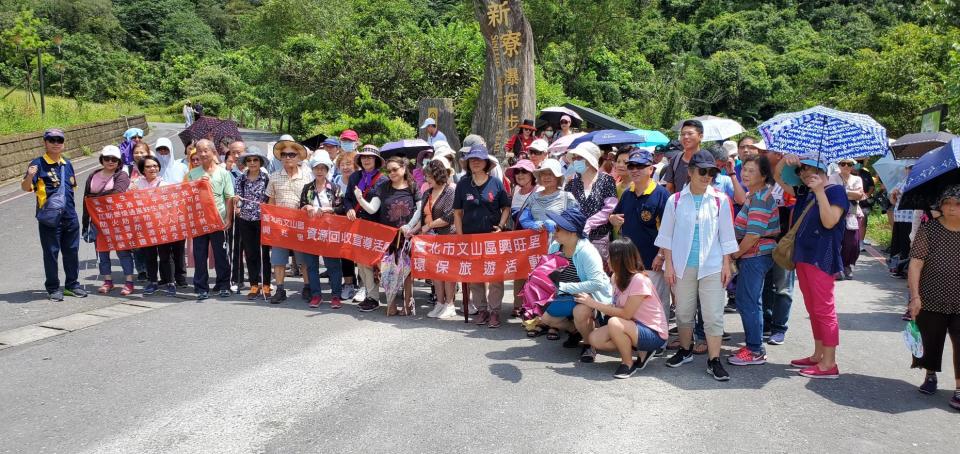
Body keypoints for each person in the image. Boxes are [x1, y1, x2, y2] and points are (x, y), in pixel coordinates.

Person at [656, 150, 738, 381]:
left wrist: (726, 264)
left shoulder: (720, 199)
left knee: (713, 315)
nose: (707, 176)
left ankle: (714, 359)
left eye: (711, 172)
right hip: (682, 265)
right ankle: (685, 349)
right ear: (690, 172)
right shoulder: (676, 200)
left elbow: (726, 235)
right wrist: (669, 265)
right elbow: (666, 236)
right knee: (683, 313)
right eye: (702, 171)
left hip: (712, 265)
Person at [774, 154, 848, 379]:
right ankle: (818, 355)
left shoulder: (835, 191)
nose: (805, 174)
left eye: (809, 169)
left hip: (822, 258)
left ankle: (829, 363)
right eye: (802, 170)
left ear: (823, 168)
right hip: (803, 256)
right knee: (813, 308)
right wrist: (785, 160)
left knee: (824, 309)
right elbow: (777, 177)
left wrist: (819, 192)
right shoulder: (804, 191)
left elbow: (829, 221)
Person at [579, 238, 668, 378]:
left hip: (653, 332)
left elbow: (625, 314)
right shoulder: (616, 277)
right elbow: (617, 307)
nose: (607, 261)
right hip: (632, 326)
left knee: (614, 322)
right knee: (594, 338)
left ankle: (628, 363)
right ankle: (641, 350)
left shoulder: (639, 280)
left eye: (610, 257)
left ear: (619, 260)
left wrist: (593, 303)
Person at [908, 185, 960, 409]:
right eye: (947, 204)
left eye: (957, 204)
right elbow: (916, 263)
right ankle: (930, 375)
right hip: (931, 295)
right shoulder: (929, 230)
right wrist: (915, 296)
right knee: (931, 339)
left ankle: (959, 388)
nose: (952, 209)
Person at [537, 207, 613, 363]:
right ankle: (576, 331)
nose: (554, 231)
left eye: (558, 228)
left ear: (572, 232)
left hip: (589, 296)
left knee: (581, 311)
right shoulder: (555, 247)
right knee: (546, 318)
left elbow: (597, 283)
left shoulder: (587, 252)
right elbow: (547, 273)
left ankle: (589, 344)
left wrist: (564, 287)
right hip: (565, 295)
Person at [728, 155, 780, 366]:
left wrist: (734, 255)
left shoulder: (760, 198)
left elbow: (753, 235)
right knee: (750, 301)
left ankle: (755, 350)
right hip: (755, 255)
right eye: (744, 169)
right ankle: (754, 344)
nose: (745, 173)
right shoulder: (755, 195)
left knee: (748, 302)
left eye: (751, 170)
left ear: (764, 175)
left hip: (755, 255)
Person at [23, 129, 87, 300]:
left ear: (63, 143)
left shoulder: (67, 163)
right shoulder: (37, 164)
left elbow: (72, 190)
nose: (56, 143)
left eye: (59, 140)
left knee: (72, 251)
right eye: (52, 140)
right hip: (49, 218)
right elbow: (26, 187)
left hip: (70, 216)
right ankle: (52, 288)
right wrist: (30, 176)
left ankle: (72, 285)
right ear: (45, 143)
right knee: (51, 253)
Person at [609, 150, 671, 323]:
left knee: (656, 301)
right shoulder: (628, 193)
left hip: (652, 260)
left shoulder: (662, 195)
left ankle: (659, 340)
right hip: (628, 261)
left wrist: (660, 255)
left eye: (640, 166)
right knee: (632, 302)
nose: (634, 170)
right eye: (631, 166)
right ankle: (638, 337)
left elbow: (668, 230)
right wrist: (612, 218)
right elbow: (615, 215)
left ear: (650, 169)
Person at [453, 144, 511, 328]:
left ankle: (495, 312)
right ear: (468, 163)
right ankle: (482, 310)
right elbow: (457, 212)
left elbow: (506, 207)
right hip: (470, 238)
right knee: (476, 276)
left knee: (495, 275)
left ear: (486, 163)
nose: (475, 162)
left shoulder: (496, 183)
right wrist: (460, 236)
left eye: (479, 159)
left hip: (492, 238)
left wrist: (501, 226)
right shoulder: (463, 184)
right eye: (472, 159)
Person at [354, 156, 419, 315]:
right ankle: (391, 304)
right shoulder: (383, 187)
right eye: (389, 171)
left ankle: (407, 304)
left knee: (407, 272)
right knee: (387, 270)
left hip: (406, 236)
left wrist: (410, 226)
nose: (392, 173)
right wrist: (360, 199)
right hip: (387, 236)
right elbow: (372, 209)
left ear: (404, 168)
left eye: (395, 169)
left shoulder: (413, 186)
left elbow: (420, 210)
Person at [82, 146, 135, 296]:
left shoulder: (122, 176)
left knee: (123, 253)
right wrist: (85, 223)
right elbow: (86, 200)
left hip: (117, 221)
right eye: (107, 158)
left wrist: (95, 198)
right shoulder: (93, 175)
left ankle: (129, 282)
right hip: (98, 221)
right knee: (102, 253)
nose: (110, 161)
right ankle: (107, 281)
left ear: (119, 161)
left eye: (114, 159)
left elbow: (117, 193)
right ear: (102, 160)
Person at [187, 139, 236, 301]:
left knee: (221, 254)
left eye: (206, 150)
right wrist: (199, 185)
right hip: (199, 221)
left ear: (213, 152)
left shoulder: (223, 173)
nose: (202, 153)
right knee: (199, 255)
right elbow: (187, 198)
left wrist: (228, 218)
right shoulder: (193, 174)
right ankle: (201, 287)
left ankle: (223, 285)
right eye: (199, 150)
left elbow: (229, 197)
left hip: (218, 220)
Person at [265, 136, 312, 304]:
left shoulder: (308, 177)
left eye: (292, 154)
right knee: (278, 259)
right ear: (280, 157)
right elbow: (270, 203)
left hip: (301, 224)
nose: (288, 157)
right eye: (284, 154)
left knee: (304, 259)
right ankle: (280, 289)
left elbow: (312, 201)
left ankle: (307, 287)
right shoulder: (274, 177)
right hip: (280, 225)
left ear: (299, 157)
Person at [409, 159, 458, 319]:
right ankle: (440, 302)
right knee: (436, 272)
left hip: (447, 236)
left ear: (438, 175)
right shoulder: (427, 193)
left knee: (448, 271)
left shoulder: (450, 192)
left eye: (429, 176)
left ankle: (450, 304)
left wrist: (428, 226)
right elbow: (422, 217)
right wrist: (412, 230)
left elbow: (449, 216)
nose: (426, 179)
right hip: (430, 239)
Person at [300, 154, 346, 309]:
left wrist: (329, 209)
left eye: (322, 168)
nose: (319, 171)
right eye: (316, 168)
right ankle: (316, 295)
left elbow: (342, 209)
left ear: (327, 170)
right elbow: (302, 205)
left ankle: (335, 296)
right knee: (312, 265)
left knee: (333, 265)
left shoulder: (335, 188)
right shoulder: (307, 187)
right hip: (311, 231)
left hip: (329, 232)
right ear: (312, 169)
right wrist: (307, 207)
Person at [345, 144, 387, 310]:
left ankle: (374, 297)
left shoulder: (382, 180)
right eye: (363, 157)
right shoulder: (355, 177)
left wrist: (360, 199)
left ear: (376, 160)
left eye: (370, 157)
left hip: (374, 226)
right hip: (356, 225)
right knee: (361, 262)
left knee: (372, 262)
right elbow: (348, 198)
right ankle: (370, 295)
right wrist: (349, 208)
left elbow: (375, 207)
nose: (366, 160)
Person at [564, 142, 617, 266]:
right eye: (575, 157)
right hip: (574, 238)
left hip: (598, 239)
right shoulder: (571, 183)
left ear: (590, 159)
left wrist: (589, 224)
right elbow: (566, 208)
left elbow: (609, 209)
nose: (576, 160)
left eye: (580, 157)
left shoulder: (606, 180)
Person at [133, 156, 178, 296]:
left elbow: (171, 204)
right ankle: (152, 281)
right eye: (148, 166)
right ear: (142, 170)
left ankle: (171, 282)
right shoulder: (136, 184)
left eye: (155, 166)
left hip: (161, 225)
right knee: (149, 255)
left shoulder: (165, 184)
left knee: (165, 255)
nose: (152, 169)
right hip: (145, 225)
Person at [235, 147, 272, 300]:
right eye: (249, 160)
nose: (252, 163)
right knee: (250, 254)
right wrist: (236, 202)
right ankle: (254, 285)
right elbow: (238, 198)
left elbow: (270, 198)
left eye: (255, 160)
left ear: (260, 161)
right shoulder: (240, 179)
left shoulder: (267, 178)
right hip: (245, 220)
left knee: (264, 255)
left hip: (262, 220)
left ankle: (266, 285)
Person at [829, 158, 865, 280]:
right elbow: (833, 193)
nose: (846, 166)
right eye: (843, 163)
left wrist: (843, 191)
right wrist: (851, 192)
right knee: (837, 241)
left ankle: (848, 265)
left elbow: (860, 195)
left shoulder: (857, 179)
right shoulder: (833, 177)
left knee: (853, 243)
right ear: (838, 165)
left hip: (853, 214)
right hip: (837, 212)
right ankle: (837, 267)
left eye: (849, 164)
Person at [333, 151, 359, 300]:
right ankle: (348, 284)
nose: (345, 167)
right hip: (341, 224)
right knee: (346, 254)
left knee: (361, 255)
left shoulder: (360, 180)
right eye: (342, 164)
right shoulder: (336, 181)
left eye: (348, 164)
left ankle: (364, 286)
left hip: (360, 222)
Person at [663, 120, 703, 194]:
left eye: (690, 134)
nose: (685, 137)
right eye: (683, 134)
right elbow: (669, 188)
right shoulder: (675, 160)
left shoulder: (707, 160)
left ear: (700, 136)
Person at [855, 158, 876, 250]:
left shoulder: (866, 173)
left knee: (863, 222)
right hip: (852, 202)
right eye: (857, 162)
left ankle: (860, 243)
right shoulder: (848, 173)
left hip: (864, 202)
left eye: (861, 162)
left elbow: (872, 186)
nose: (859, 164)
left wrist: (867, 195)